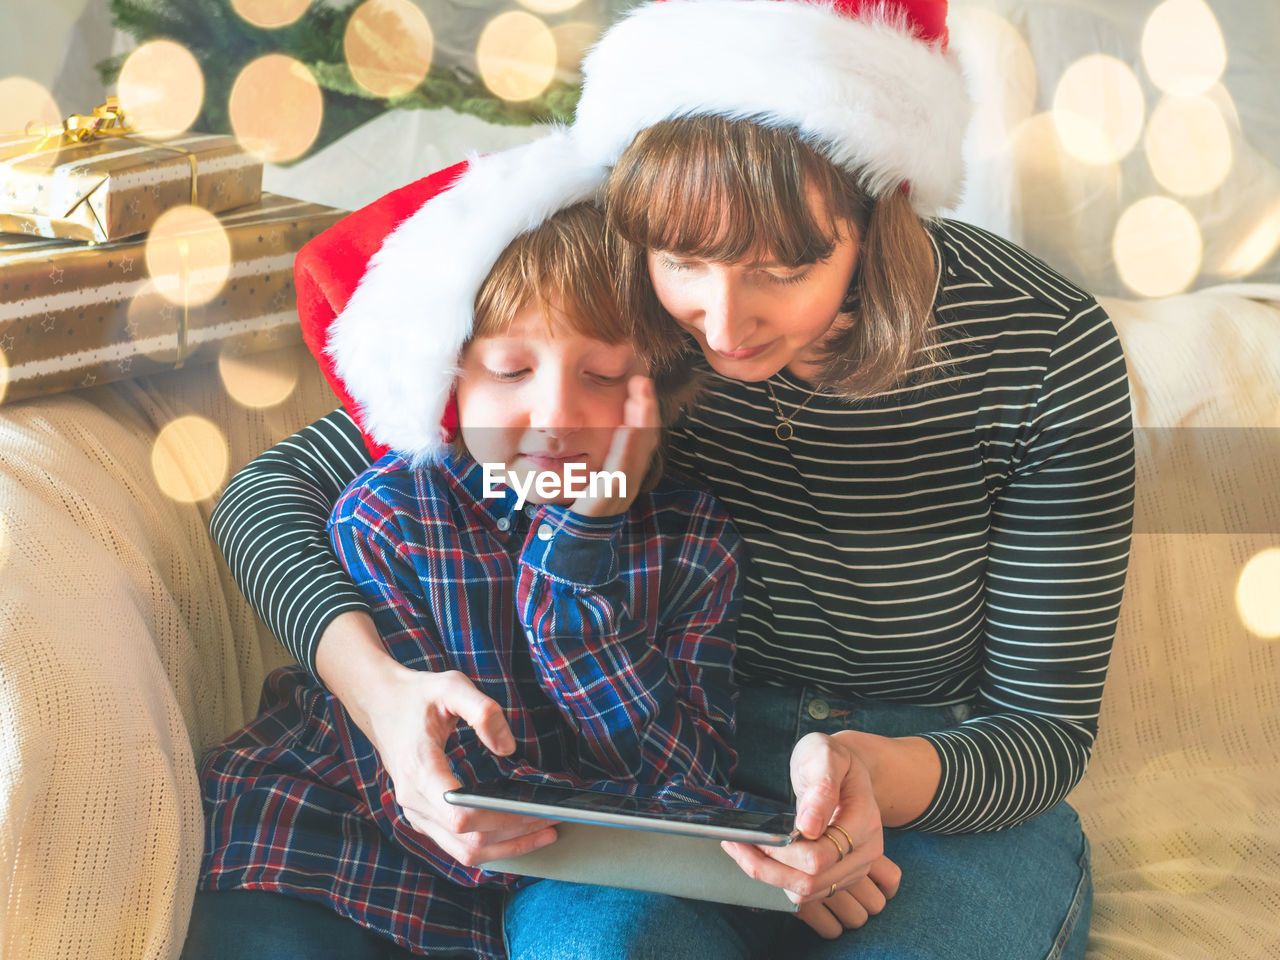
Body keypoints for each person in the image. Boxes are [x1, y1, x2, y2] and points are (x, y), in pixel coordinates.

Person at [210, 0, 1135, 956]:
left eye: (783, 267)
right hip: (659, 788)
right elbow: (269, 495)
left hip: (933, 786)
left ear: (878, 204)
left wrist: (872, 772)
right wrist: (379, 694)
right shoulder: (625, 309)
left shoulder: (1043, 350)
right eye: (687, 257)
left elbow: (1043, 732)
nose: (722, 326)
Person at [185, 136, 785, 960]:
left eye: (604, 375)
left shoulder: (693, 543)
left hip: (505, 893)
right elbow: (455, 783)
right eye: (510, 370)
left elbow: (683, 784)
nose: (557, 413)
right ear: (451, 380)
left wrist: (581, 547)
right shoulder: (389, 515)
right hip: (325, 840)